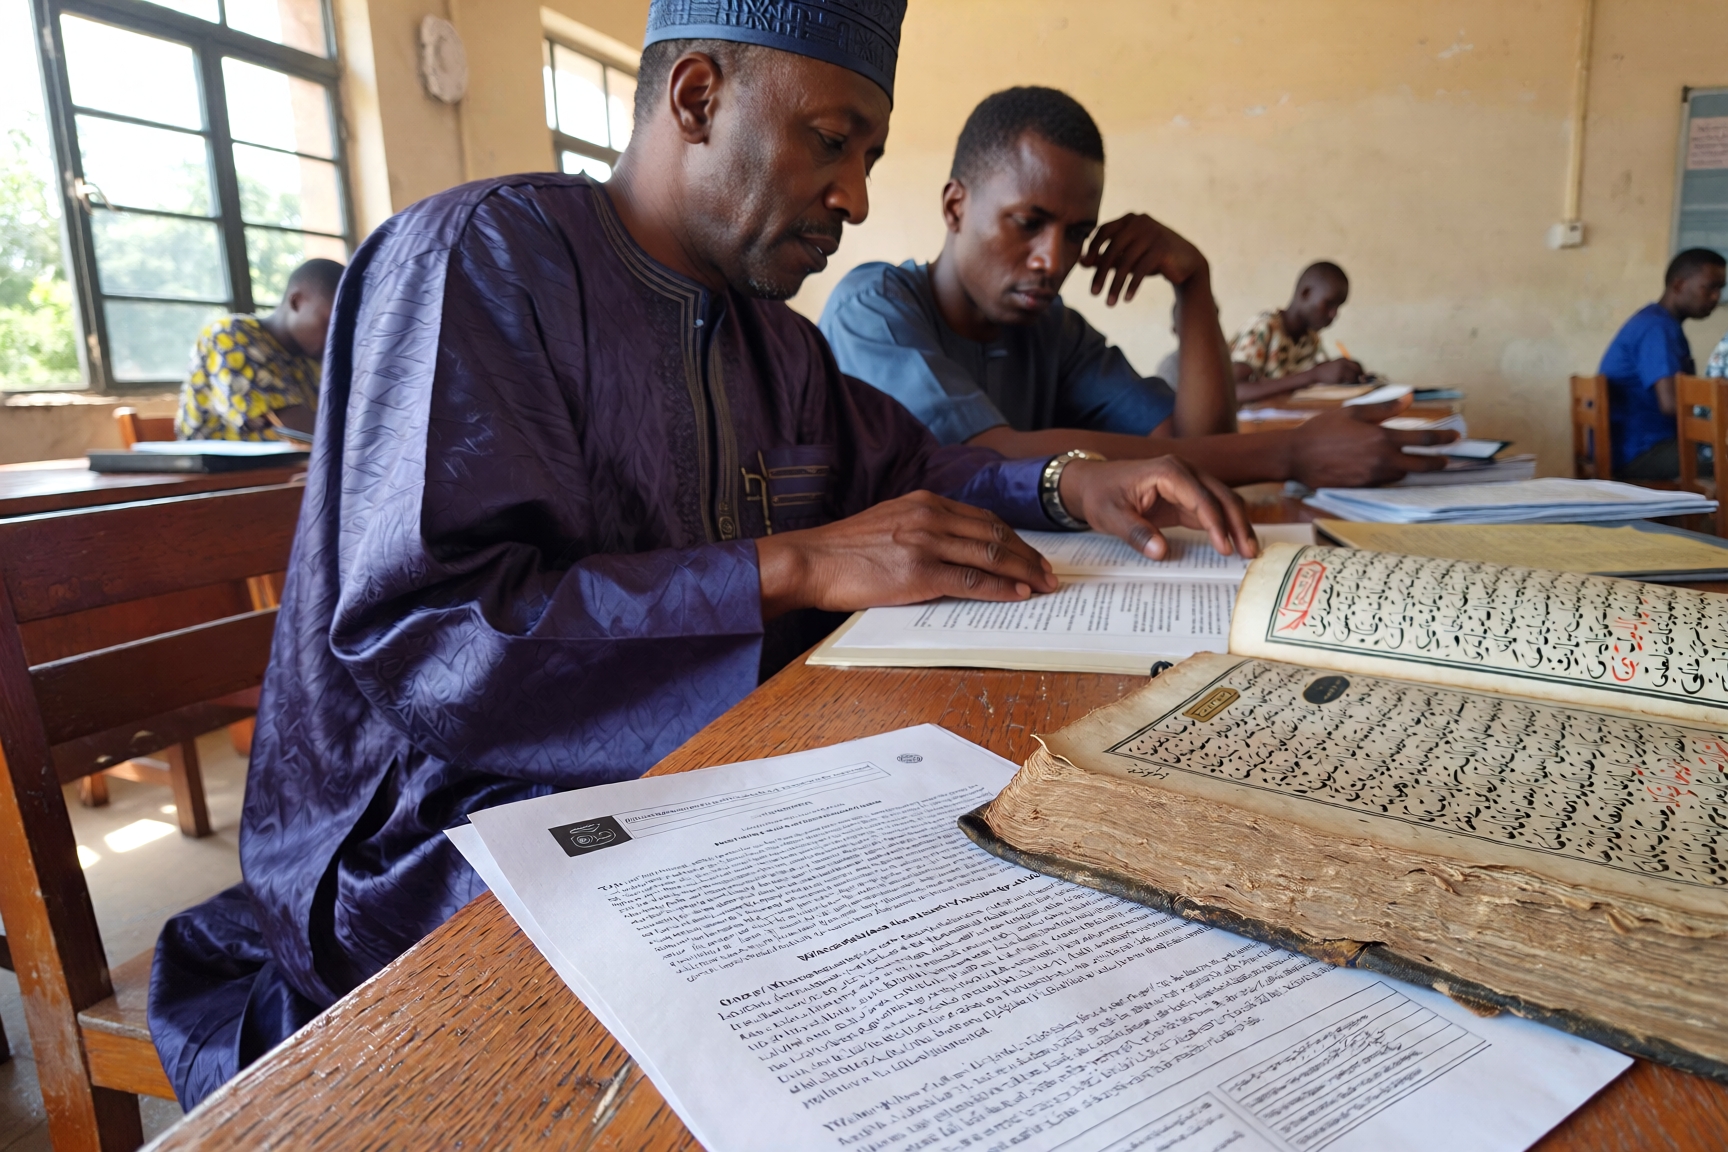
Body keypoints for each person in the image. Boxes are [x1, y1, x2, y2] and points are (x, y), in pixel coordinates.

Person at [147, 0, 1259, 1109]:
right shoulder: (480, 262)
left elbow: (908, 468)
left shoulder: (777, 341)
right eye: (832, 142)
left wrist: (1067, 480)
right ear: (696, 98)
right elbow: (435, 639)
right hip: (434, 835)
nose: (859, 197)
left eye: (868, 156)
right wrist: (792, 566)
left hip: (701, 775)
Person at [819, 88, 1455, 490]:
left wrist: (1194, 285)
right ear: (956, 208)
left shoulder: (1054, 332)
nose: (1053, 259)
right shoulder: (873, 305)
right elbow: (991, 455)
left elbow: (1197, 440)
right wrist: (1287, 454)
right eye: (1029, 223)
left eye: (1077, 234)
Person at [174, 258, 343, 441]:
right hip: (219, 468)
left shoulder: (312, 356)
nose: (338, 337)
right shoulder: (231, 335)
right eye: (331, 323)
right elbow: (297, 428)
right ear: (296, 302)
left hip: (287, 468)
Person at [1599, 247, 1726, 479]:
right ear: (1678, 285)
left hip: (1632, 447)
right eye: (1710, 287)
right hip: (1641, 452)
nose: (1716, 297)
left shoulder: (1656, 322)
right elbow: (1671, 404)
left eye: (1721, 289)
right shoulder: (1657, 328)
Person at [1229, 262, 1366, 405]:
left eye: (1338, 307)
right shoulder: (1262, 328)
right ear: (1305, 293)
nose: (1334, 314)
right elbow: (1234, 391)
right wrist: (1314, 375)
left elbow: (1320, 374)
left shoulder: (1310, 338)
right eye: (1329, 304)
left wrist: (1342, 371)